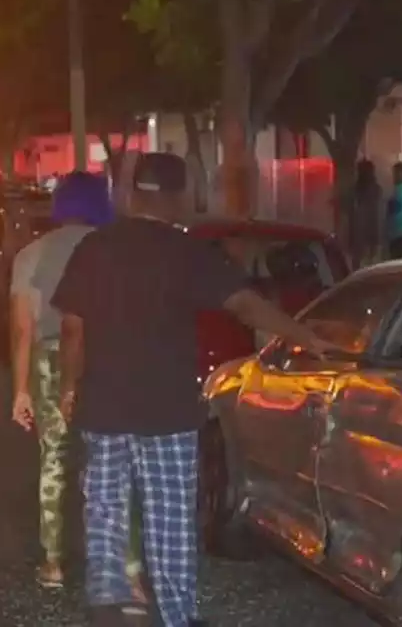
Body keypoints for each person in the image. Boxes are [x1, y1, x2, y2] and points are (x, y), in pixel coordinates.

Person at [51, 152, 333, 627]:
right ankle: (176, 617)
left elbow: (73, 330)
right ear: (178, 197)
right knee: (170, 524)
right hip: (168, 414)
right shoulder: (186, 253)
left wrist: (67, 388)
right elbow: (244, 305)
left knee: (105, 515)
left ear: (133, 193)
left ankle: (106, 610)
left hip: (102, 411)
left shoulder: (94, 248)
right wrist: (305, 336)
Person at [9, 171, 149, 595]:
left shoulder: (32, 255)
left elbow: (22, 329)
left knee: (54, 458)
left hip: (51, 359)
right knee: (113, 461)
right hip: (107, 358)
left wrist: (21, 389)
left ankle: (53, 563)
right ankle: (129, 570)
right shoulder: (118, 251)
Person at [348, 159, 382, 268]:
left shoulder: (356, 190)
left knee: (357, 260)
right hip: (372, 225)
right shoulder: (376, 189)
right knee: (371, 261)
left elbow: (353, 210)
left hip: (359, 228)